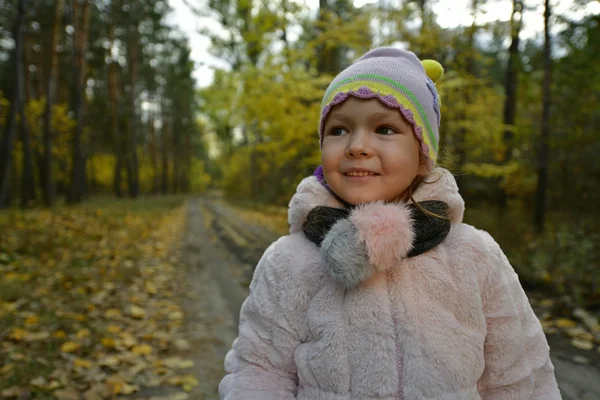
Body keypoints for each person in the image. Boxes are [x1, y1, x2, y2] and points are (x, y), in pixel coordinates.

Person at [218, 47, 561, 399]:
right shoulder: (289, 260)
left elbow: (520, 378)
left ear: (423, 154)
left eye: (384, 128)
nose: (357, 146)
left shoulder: (474, 255)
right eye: (338, 130)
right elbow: (259, 372)